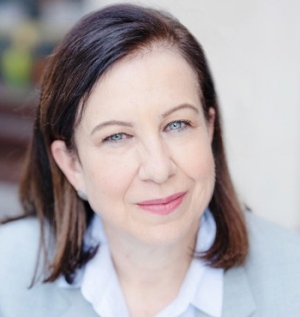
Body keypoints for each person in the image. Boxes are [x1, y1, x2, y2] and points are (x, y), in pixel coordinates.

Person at [0, 3, 300, 317]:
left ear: (209, 129)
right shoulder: (7, 273)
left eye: (177, 125)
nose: (159, 169)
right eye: (116, 136)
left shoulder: (293, 280)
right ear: (72, 165)